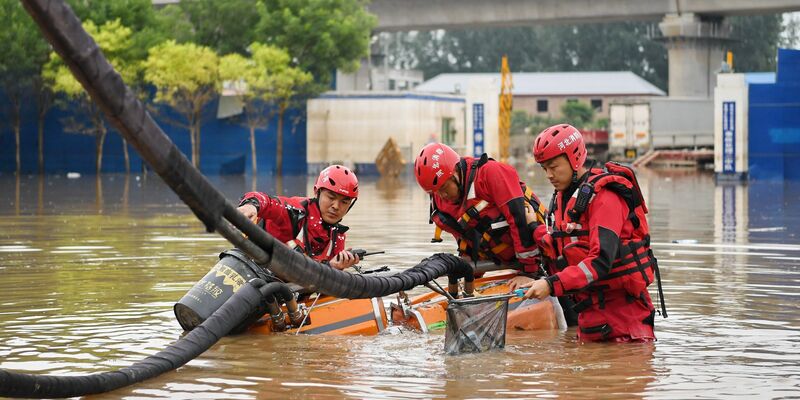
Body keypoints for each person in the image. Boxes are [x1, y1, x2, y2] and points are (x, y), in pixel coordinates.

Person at [517, 123, 665, 342]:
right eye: (544, 168)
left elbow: (600, 261)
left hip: (624, 326)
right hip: (590, 320)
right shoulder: (564, 198)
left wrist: (550, 284)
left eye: (553, 166)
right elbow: (559, 244)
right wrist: (533, 227)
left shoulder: (605, 198)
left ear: (574, 158)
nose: (548, 175)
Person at [413, 142, 546, 276]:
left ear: (455, 172)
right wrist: (469, 275)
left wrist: (529, 272)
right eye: (435, 192)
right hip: (497, 258)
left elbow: (519, 219)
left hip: (539, 254)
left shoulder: (490, 174)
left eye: (443, 188)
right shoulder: (441, 201)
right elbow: (464, 237)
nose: (442, 196)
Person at [236, 165, 361, 270]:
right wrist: (252, 205)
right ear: (316, 192)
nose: (336, 206)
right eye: (331, 197)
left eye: (344, 202)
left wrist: (334, 267)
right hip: (248, 270)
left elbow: (321, 282)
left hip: (285, 286)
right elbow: (267, 201)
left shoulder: (337, 237)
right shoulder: (294, 212)